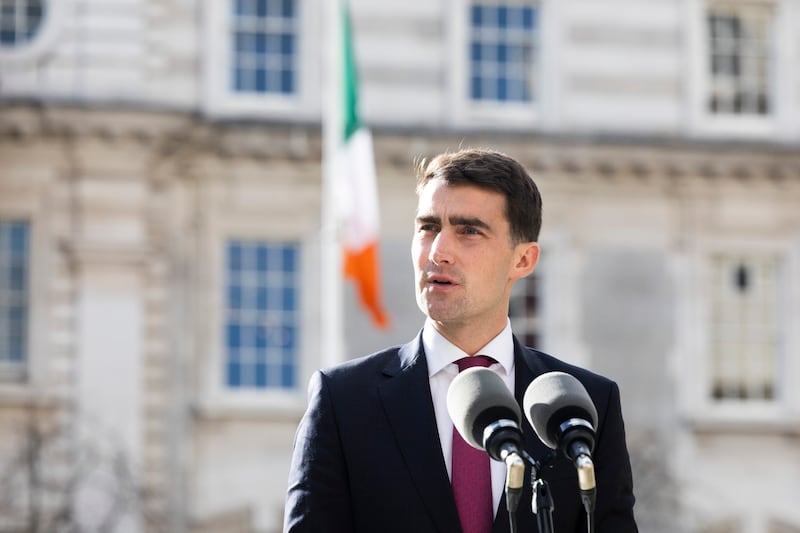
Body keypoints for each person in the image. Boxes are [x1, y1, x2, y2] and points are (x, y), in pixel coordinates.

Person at [284, 148, 637, 532]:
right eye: (428, 227)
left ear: (524, 260)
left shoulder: (586, 407)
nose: (438, 251)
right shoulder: (343, 401)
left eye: (468, 230)